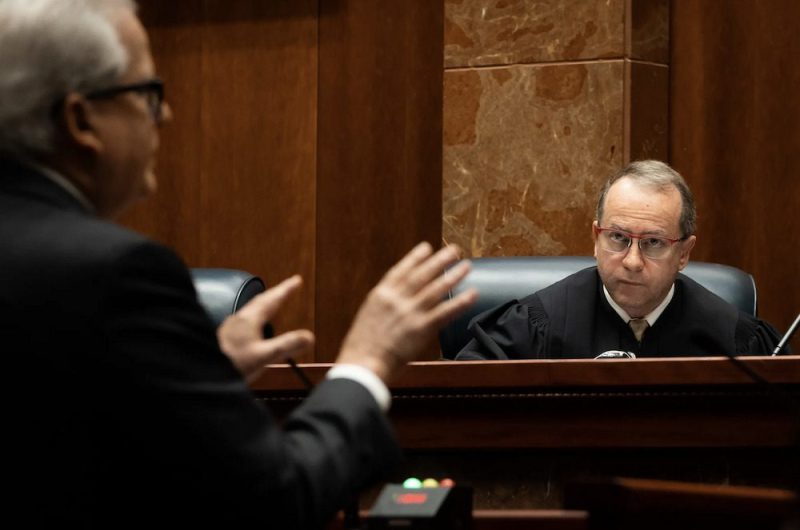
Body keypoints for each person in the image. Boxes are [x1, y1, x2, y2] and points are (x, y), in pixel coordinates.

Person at [0, 1, 476, 528]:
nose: (166, 114)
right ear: (80, 120)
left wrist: (201, 373)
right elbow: (273, 500)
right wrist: (366, 364)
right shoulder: (117, 274)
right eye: (147, 93)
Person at [456, 159, 785, 360]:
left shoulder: (738, 340)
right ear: (596, 239)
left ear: (684, 253)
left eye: (653, 242)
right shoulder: (535, 325)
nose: (632, 261)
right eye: (618, 238)